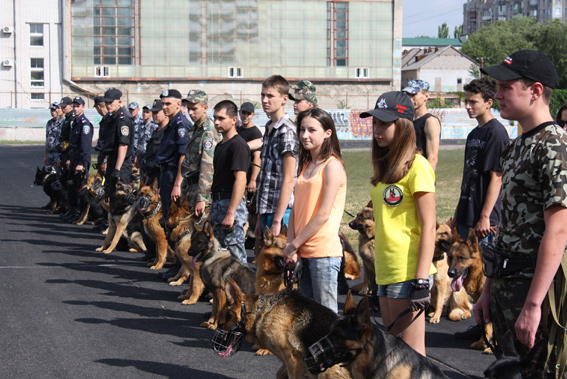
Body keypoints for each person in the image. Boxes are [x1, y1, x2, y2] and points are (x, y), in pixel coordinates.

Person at [474, 50, 567, 373]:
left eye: (506, 87)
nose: (497, 94)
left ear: (536, 91)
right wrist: (488, 288)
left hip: (532, 287)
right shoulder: (517, 146)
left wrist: (533, 305)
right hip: (506, 284)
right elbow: (509, 227)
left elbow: (558, 230)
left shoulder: (554, 146)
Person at [362, 91, 436, 356]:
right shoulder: (385, 167)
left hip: (408, 270)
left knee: (411, 353)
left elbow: (429, 226)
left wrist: (420, 280)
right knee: (393, 349)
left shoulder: (418, 166)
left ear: (403, 126)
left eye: (384, 123)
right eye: (375, 123)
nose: (377, 129)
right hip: (385, 267)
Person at [283, 108, 346, 313]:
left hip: (323, 252)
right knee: (306, 315)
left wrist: (295, 244)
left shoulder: (332, 165)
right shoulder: (307, 164)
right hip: (303, 250)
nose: (305, 135)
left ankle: (335, 348)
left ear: (328, 133)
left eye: (311, 130)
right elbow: (296, 209)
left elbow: (323, 214)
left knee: (326, 316)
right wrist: (291, 244)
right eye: (302, 130)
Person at [454, 77, 509, 242]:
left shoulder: (496, 133)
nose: (467, 106)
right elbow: (468, 178)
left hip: (483, 223)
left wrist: (485, 217)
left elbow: (497, 178)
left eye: (473, 102)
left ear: (489, 102)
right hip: (466, 216)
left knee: (484, 267)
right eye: (466, 101)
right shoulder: (473, 134)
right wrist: (458, 214)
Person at [254, 75, 299, 239]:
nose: (265, 100)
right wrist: (260, 217)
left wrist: (277, 220)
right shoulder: (269, 127)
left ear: (284, 99)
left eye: (270, 96)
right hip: (267, 210)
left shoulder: (286, 130)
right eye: (263, 95)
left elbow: (289, 179)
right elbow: (266, 176)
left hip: (281, 212)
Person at [210, 100, 251, 264]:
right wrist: (212, 211)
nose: (216, 122)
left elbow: (241, 180)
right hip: (219, 202)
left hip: (230, 203)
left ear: (234, 120)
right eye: (215, 118)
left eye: (221, 118)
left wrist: (231, 212)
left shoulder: (238, 145)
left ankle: (244, 289)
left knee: (236, 256)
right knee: (219, 254)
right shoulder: (221, 146)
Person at [180, 89, 219, 218]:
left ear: (205, 108)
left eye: (194, 109)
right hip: (190, 187)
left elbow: (207, 166)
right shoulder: (195, 129)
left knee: (200, 231)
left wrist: (202, 198)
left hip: (201, 189)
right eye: (189, 108)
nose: (190, 112)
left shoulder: (208, 131)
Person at [155, 89, 191, 219]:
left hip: (174, 175)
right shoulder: (172, 123)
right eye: (163, 104)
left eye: (168, 104)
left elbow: (183, 156)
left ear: (178, 104)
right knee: (166, 214)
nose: (164, 107)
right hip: (166, 175)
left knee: (173, 217)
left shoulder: (181, 125)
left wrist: (177, 185)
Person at [61, 96, 94, 222]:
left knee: (79, 188)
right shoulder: (74, 122)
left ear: (83, 107)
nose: (75, 108)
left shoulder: (85, 125)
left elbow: (85, 148)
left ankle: (79, 213)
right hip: (73, 156)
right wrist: (69, 158)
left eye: (78, 106)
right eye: (74, 106)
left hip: (80, 159)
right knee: (70, 185)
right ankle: (72, 210)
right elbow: (72, 144)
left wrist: (81, 163)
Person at [101, 88, 135, 204]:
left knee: (121, 200)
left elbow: (123, 145)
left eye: (111, 102)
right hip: (113, 161)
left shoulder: (123, 118)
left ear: (120, 101)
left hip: (121, 164)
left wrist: (117, 169)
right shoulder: (113, 116)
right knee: (112, 196)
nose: (108, 105)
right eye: (106, 102)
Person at [402, 80, 441, 171]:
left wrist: (427, 181)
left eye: (413, 94)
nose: (410, 98)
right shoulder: (408, 121)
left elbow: (432, 157)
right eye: (407, 94)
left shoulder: (430, 121)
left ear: (426, 96)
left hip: (421, 177)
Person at [237, 102, 262, 194]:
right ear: (239, 113)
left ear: (253, 115)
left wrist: (253, 180)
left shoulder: (255, 133)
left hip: (249, 178)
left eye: (249, 114)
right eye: (243, 113)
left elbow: (257, 158)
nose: (245, 116)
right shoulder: (238, 130)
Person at [144, 99, 168, 188]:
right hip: (151, 176)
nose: (154, 115)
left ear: (165, 113)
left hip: (161, 177)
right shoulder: (156, 131)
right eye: (153, 113)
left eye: (157, 112)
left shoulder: (168, 132)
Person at [134, 104, 157, 176]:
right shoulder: (140, 125)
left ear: (151, 114)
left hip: (149, 156)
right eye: (144, 112)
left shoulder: (154, 126)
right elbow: (139, 141)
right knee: (141, 177)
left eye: (147, 112)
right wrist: (137, 156)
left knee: (149, 177)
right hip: (141, 155)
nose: (144, 114)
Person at [93, 95, 110, 176]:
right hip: (102, 156)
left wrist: (105, 161)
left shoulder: (109, 120)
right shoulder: (104, 119)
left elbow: (109, 142)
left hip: (106, 157)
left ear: (99, 107)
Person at [56, 97, 75, 168]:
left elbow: (72, 140)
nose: (62, 109)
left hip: (69, 154)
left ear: (70, 106)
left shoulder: (72, 119)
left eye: (64, 107)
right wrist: (61, 158)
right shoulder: (66, 118)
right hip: (64, 153)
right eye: (62, 107)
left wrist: (70, 158)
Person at [44, 102, 63, 168]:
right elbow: (47, 139)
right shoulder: (49, 123)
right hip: (49, 154)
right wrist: (46, 156)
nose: (53, 112)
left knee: (57, 173)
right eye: (51, 110)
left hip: (57, 154)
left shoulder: (62, 122)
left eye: (54, 110)